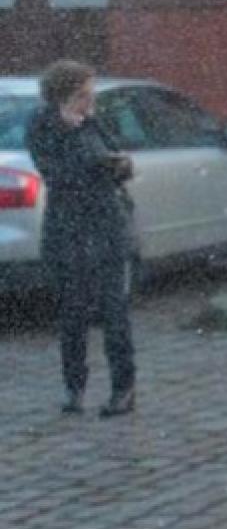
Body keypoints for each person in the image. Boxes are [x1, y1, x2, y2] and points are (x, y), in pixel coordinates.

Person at [27, 59, 138, 418]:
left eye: (91, 95)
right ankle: (74, 388)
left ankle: (123, 389)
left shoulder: (93, 123)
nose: (90, 102)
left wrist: (120, 165)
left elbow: (118, 161)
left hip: (107, 226)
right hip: (68, 230)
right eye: (83, 95)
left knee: (114, 312)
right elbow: (58, 174)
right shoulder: (43, 126)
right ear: (63, 96)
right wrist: (81, 146)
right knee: (72, 315)